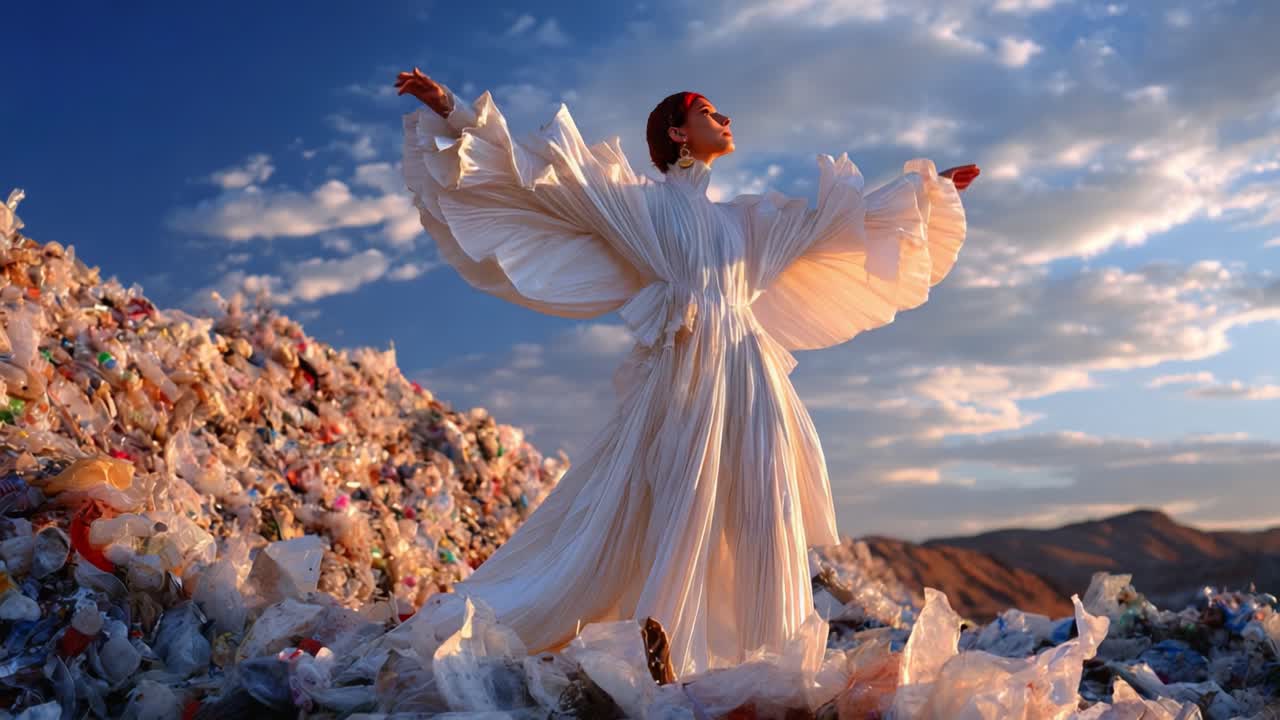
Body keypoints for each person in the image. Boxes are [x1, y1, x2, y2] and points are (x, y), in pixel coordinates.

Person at [394, 67, 979, 678]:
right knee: (680, 497)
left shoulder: (746, 224)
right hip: (684, 375)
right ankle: (666, 648)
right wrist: (451, 109)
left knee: (765, 507)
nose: (724, 119)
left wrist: (924, 193)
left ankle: (770, 659)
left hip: (751, 375)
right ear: (677, 133)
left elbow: (837, 224)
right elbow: (540, 178)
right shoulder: (638, 205)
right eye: (708, 112)